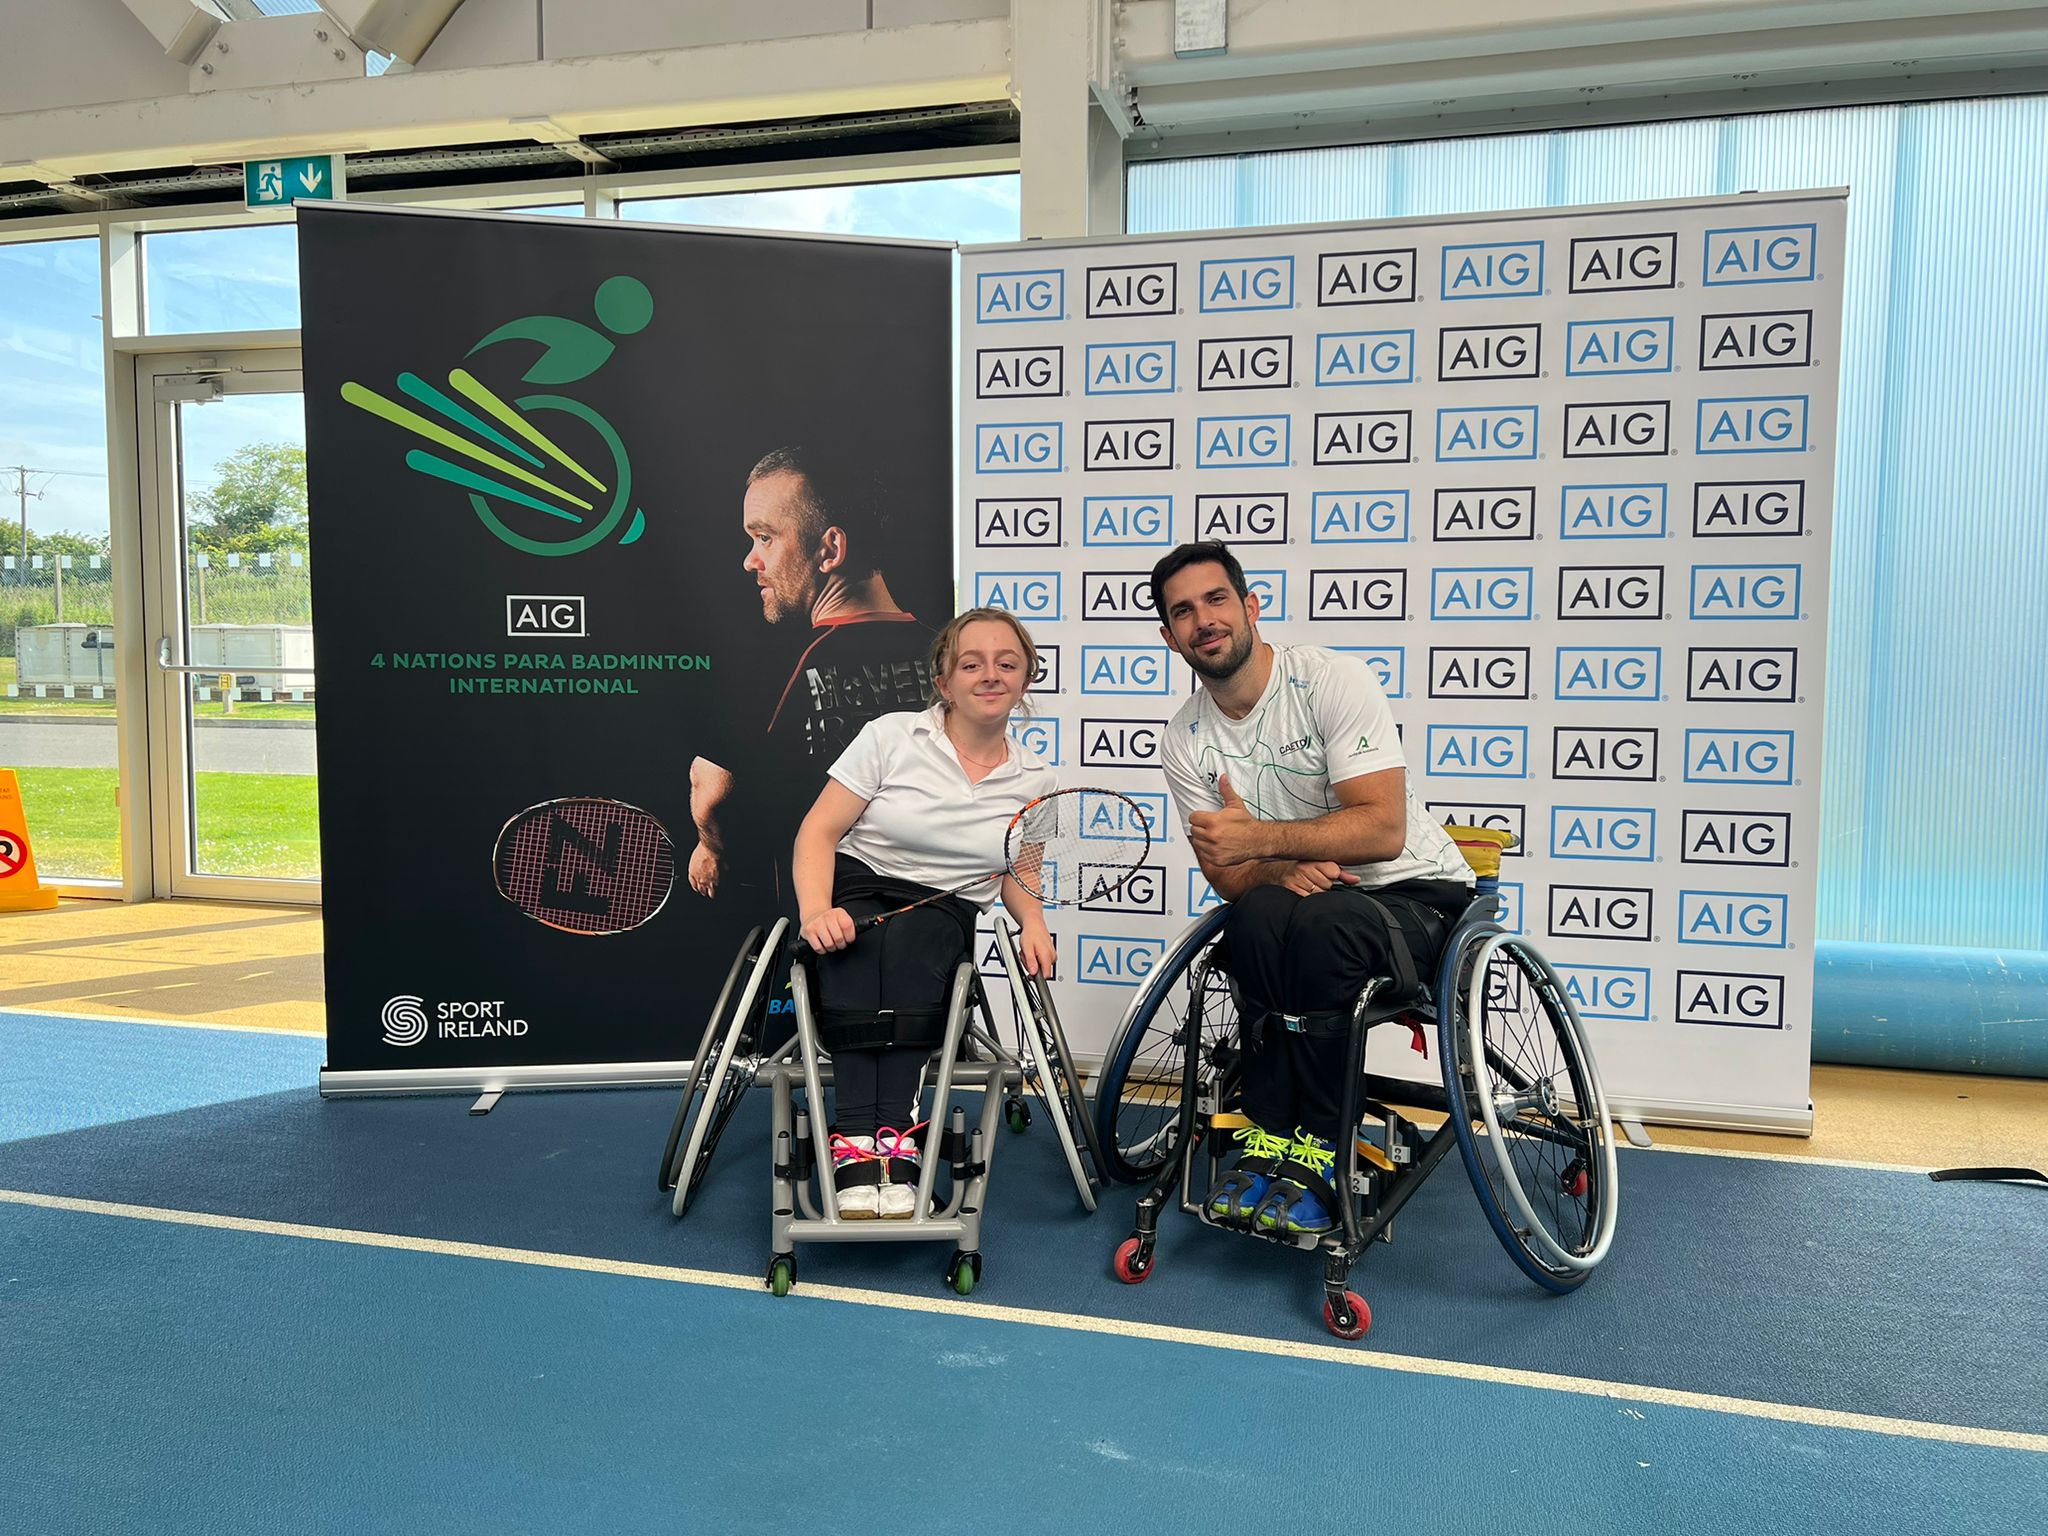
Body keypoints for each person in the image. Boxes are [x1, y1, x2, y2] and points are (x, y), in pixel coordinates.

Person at [1150, 541, 1475, 1236]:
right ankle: (1269, 1135)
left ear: (1250, 607)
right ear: (1169, 636)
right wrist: (1272, 869)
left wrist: (1262, 843)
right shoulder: (1184, 738)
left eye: (1216, 600)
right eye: (1183, 611)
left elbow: (1382, 829)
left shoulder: (1330, 680)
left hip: (1415, 892)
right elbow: (1226, 873)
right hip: (1309, 904)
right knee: (1254, 915)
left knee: (1325, 923)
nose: (1203, 620)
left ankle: (1323, 1146)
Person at [790, 608, 1057, 1219]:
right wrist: (815, 911)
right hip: (859, 890)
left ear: (1025, 678)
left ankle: (896, 1144)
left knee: (914, 945)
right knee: (859, 943)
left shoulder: (1039, 779)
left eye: (1006, 663)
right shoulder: (890, 737)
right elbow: (817, 833)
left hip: (945, 906)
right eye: (972, 663)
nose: (989, 674)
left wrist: (1034, 922)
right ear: (944, 681)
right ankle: (860, 1140)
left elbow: (1020, 875)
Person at [687, 444, 936, 905]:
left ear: (830, 549)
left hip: (816, 926)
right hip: (929, 917)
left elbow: (710, 791)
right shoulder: (949, 655)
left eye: (765, 537)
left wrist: (710, 847)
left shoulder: (775, 663)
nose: (750, 560)